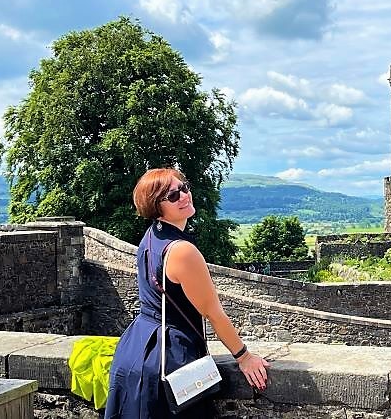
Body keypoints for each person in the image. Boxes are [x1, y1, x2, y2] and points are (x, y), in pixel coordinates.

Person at [105, 168, 270, 418]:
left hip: (136, 348)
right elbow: (213, 313)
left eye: (184, 187)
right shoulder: (182, 251)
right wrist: (244, 356)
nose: (184, 196)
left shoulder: (151, 237)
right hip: (169, 357)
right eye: (172, 196)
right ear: (156, 206)